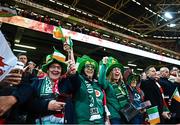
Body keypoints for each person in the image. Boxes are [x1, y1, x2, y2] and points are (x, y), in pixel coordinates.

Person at [26, 49, 79, 124]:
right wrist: (47, 105)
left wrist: (73, 74)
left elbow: (76, 85)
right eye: (53, 67)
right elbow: (27, 104)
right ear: (47, 70)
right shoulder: (36, 83)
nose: (56, 70)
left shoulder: (65, 83)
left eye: (58, 68)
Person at [73, 55, 106, 124]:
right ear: (82, 69)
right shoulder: (79, 81)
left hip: (100, 120)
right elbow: (73, 74)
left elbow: (102, 80)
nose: (90, 69)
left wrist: (104, 65)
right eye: (87, 66)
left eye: (92, 67)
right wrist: (70, 52)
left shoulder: (97, 84)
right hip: (84, 121)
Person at [99, 56, 130, 124]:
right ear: (110, 73)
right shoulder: (108, 83)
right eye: (114, 69)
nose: (117, 71)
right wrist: (104, 65)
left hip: (125, 114)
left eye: (118, 69)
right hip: (115, 116)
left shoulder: (122, 85)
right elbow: (101, 82)